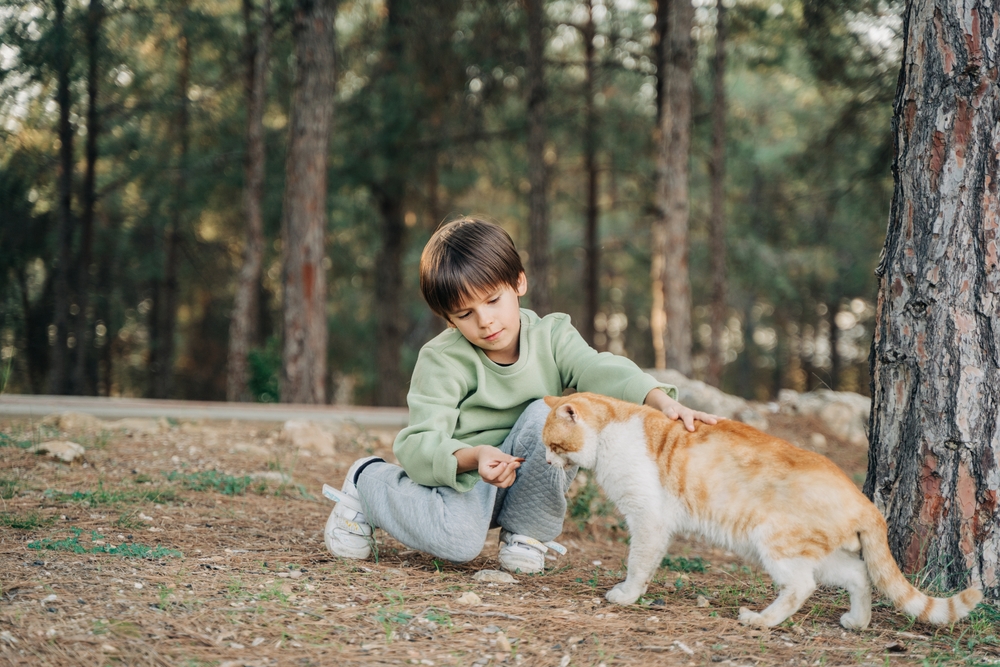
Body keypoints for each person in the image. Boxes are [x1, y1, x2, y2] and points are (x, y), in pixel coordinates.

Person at [323, 217, 717, 573]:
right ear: (448, 318)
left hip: (525, 473)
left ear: (519, 283)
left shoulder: (552, 335)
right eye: (465, 314)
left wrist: (660, 400)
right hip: (464, 477)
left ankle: (526, 532)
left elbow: (598, 369)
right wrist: (474, 457)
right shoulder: (443, 360)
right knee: (458, 545)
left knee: (554, 413)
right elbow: (419, 443)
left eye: (493, 300)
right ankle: (367, 481)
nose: (485, 321)